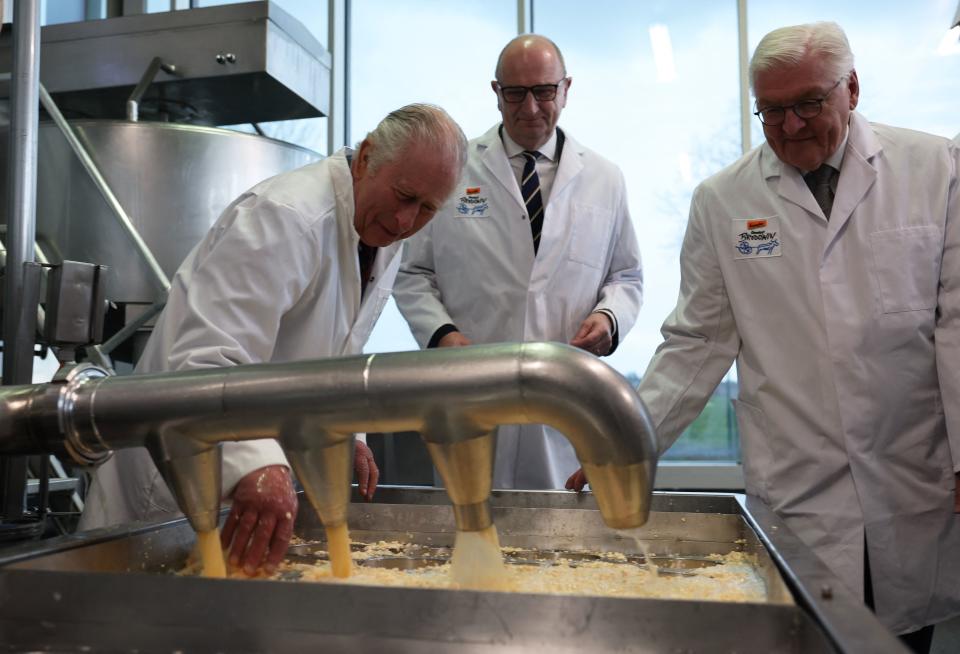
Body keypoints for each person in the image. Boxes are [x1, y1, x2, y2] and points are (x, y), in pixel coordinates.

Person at [569, 21, 960, 653]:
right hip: (799, 481)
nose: (791, 126)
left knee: (903, 637)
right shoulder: (723, 200)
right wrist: (627, 441)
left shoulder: (934, 167)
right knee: (805, 635)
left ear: (852, 89)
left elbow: (956, 325)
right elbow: (696, 342)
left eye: (809, 103)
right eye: (771, 111)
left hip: (909, 470)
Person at [80, 103, 468, 576]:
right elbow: (203, 361)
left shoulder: (379, 234)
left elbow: (338, 346)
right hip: (161, 495)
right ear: (366, 158)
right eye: (405, 196)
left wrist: (347, 430)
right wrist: (256, 463)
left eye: (428, 208)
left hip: (228, 498)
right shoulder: (285, 216)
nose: (408, 221)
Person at [393, 35, 643, 490]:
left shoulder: (605, 178)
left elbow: (626, 274)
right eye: (515, 93)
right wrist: (441, 333)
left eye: (544, 91)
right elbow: (411, 272)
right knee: (471, 532)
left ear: (566, 89)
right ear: (496, 92)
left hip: (566, 399)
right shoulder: (454, 168)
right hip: (471, 392)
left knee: (564, 545)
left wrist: (609, 317)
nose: (530, 108)